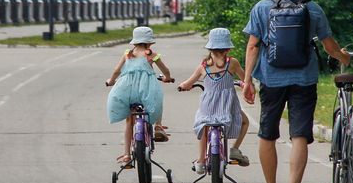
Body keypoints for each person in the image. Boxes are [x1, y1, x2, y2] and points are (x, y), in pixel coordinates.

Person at [242, 0, 351, 183]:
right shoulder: (313, 9)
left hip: (271, 78)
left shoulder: (262, 7)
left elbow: (252, 46)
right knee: (299, 133)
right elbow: (329, 46)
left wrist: (247, 80)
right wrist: (344, 58)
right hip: (304, 79)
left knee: (267, 133)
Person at [177, 28, 250, 173]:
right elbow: (245, 79)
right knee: (245, 121)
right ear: (228, 49)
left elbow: (188, 82)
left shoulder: (203, 66)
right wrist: (244, 85)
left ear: (210, 47)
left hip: (208, 106)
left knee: (205, 126)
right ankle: (235, 149)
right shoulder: (232, 63)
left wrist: (183, 86)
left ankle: (201, 160)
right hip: (228, 106)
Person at [105, 26, 174, 166]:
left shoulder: (127, 54)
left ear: (134, 42)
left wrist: (111, 81)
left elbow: (116, 70)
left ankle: (126, 154)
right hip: (146, 89)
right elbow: (165, 70)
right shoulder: (151, 55)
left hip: (127, 90)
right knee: (156, 99)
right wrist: (167, 77)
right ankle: (158, 126)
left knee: (130, 121)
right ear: (149, 42)